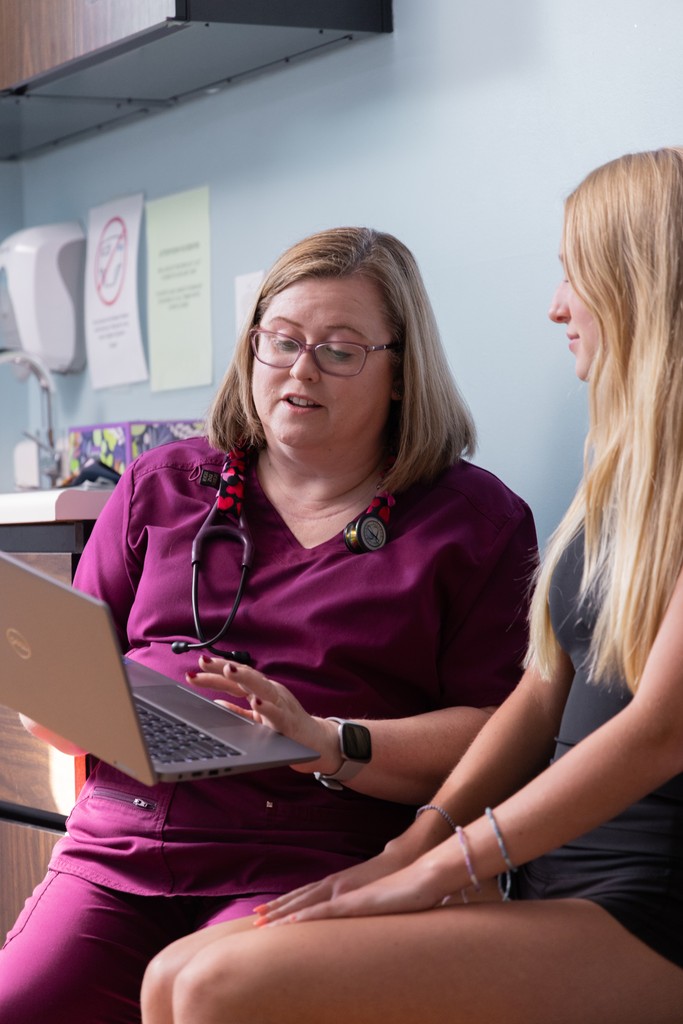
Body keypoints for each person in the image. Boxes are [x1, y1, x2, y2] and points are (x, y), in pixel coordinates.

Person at [139, 148, 683, 1024]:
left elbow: (659, 733)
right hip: (554, 875)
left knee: (216, 986)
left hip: (649, 904)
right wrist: (407, 851)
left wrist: (440, 873)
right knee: (174, 972)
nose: (556, 307)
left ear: (640, 286)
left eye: (573, 277)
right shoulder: (627, 473)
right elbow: (539, 694)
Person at [0, 227, 536, 1024]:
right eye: (279, 342)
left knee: (215, 1002)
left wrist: (327, 738)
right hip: (122, 847)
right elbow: (61, 709)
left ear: (399, 373)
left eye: (340, 350)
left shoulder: (475, 523)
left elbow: (495, 735)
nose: (300, 369)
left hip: (309, 856)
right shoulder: (162, 485)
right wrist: (63, 701)